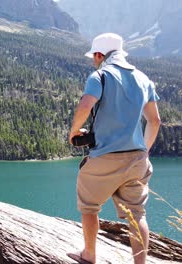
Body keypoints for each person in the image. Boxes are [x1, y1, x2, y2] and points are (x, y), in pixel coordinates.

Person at [67, 33, 161, 264]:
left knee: (89, 208)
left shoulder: (100, 75)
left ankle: (89, 255)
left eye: (94, 57)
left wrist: (73, 132)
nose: (93, 61)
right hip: (137, 159)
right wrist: (144, 151)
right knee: (137, 214)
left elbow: (85, 105)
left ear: (100, 55)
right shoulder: (143, 78)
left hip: (105, 157)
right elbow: (155, 120)